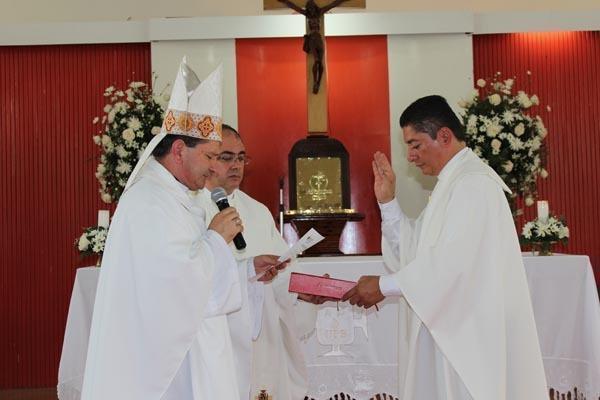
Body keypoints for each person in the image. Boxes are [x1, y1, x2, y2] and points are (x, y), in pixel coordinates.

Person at [81, 60, 285, 400]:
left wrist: (247, 270)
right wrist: (217, 238)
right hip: (164, 370)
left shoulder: (175, 195)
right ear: (179, 150)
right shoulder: (149, 201)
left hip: (189, 354)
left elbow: (194, 272)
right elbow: (174, 284)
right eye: (210, 157)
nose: (214, 169)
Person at [343, 95, 548, 399]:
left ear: (444, 136)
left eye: (415, 145)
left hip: (468, 344)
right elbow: (415, 253)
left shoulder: (473, 185)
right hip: (452, 335)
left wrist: (383, 286)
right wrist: (387, 201)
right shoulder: (452, 184)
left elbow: (451, 265)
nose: (410, 157)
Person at [195, 125, 321, 400]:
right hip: (217, 337)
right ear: (207, 158)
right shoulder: (191, 208)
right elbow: (191, 278)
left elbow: (282, 268)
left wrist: (304, 291)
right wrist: (247, 270)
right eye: (226, 157)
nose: (236, 165)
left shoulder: (257, 211)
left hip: (261, 339)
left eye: (241, 157)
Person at [277, 0, 350, 94]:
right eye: (309, 7)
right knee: (316, 61)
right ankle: (315, 81)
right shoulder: (307, 14)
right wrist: (284, 1)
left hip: (319, 38)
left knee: (321, 62)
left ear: (315, 7)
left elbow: (333, 4)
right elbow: (294, 6)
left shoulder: (320, 12)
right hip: (312, 39)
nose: (311, 9)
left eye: (312, 7)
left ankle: (319, 82)